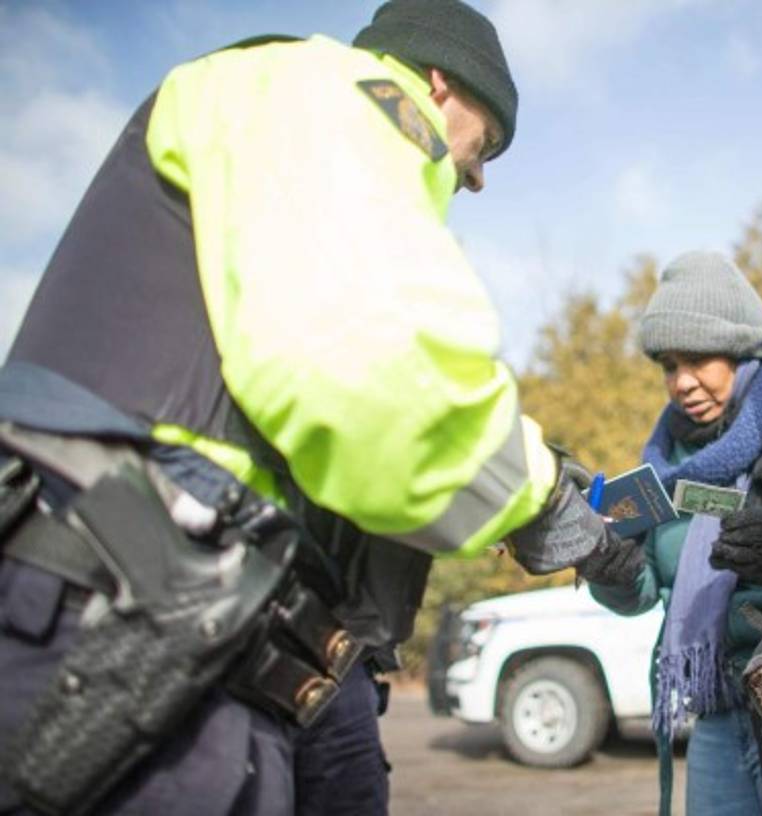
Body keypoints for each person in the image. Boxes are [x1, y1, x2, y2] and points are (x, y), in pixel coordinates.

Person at [0, 1, 607, 813]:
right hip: (124, 609)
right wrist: (538, 497)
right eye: (487, 141)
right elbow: (375, 375)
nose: (479, 174)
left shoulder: (307, 130)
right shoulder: (328, 93)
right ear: (439, 85)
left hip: (208, 624)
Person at [575, 250, 762, 816]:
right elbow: (644, 593)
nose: (682, 382)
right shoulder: (663, 463)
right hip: (715, 710)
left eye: (698, 360)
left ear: (742, 350)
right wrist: (610, 571)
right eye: (668, 364)